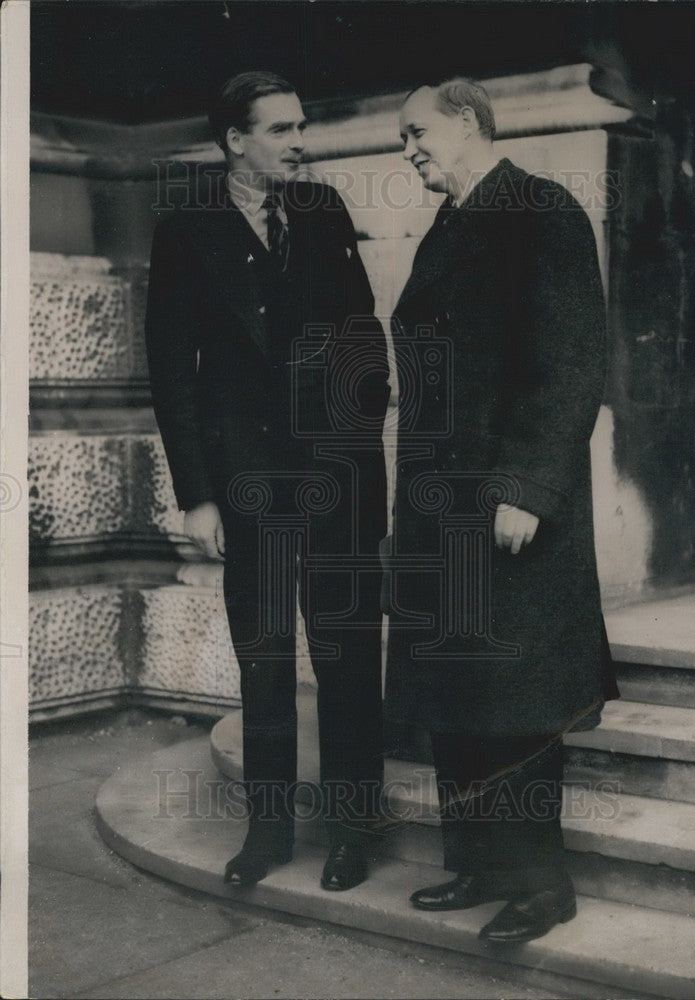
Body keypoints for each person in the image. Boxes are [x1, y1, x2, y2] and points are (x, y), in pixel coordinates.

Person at [385, 78, 618, 942]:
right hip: (441, 507)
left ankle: (539, 886)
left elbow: (568, 363)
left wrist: (525, 489)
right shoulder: (454, 223)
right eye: (400, 137)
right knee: (459, 688)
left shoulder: (539, 209)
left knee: (516, 699)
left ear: (469, 123)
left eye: (416, 131)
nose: (406, 148)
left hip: (505, 506)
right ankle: (478, 864)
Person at [145, 71, 390, 891]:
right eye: (279, 129)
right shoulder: (187, 230)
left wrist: (359, 446)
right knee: (264, 656)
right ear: (234, 142)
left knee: (348, 653)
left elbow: (364, 336)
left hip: (336, 479)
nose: (297, 142)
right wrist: (198, 495)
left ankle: (354, 830)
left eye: (300, 125)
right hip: (247, 483)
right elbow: (173, 372)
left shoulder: (322, 215)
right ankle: (269, 832)